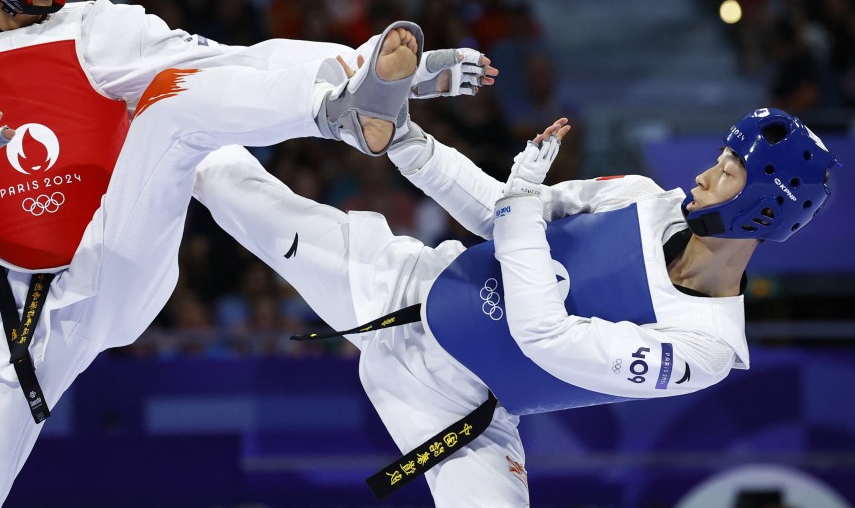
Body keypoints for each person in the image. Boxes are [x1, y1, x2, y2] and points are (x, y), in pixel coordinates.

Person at [0, 0, 488, 507]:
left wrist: (403, 73)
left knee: (177, 112)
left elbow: (243, 64)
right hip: (12, 325)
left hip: (113, 262)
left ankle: (341, 112)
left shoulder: (98, 28)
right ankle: (347, 109)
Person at [191, 107, 838, 506]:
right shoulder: (642, 197)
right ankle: (137, 119)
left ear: (766, 207)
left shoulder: (703, 349)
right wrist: (408, 140)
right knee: (226, 183)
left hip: (457, 414)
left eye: (727, 171)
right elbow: (500, 212)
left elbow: (543, 337)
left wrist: (523, 197)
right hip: (407, 291)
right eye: (717, 160)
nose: (703, 176)